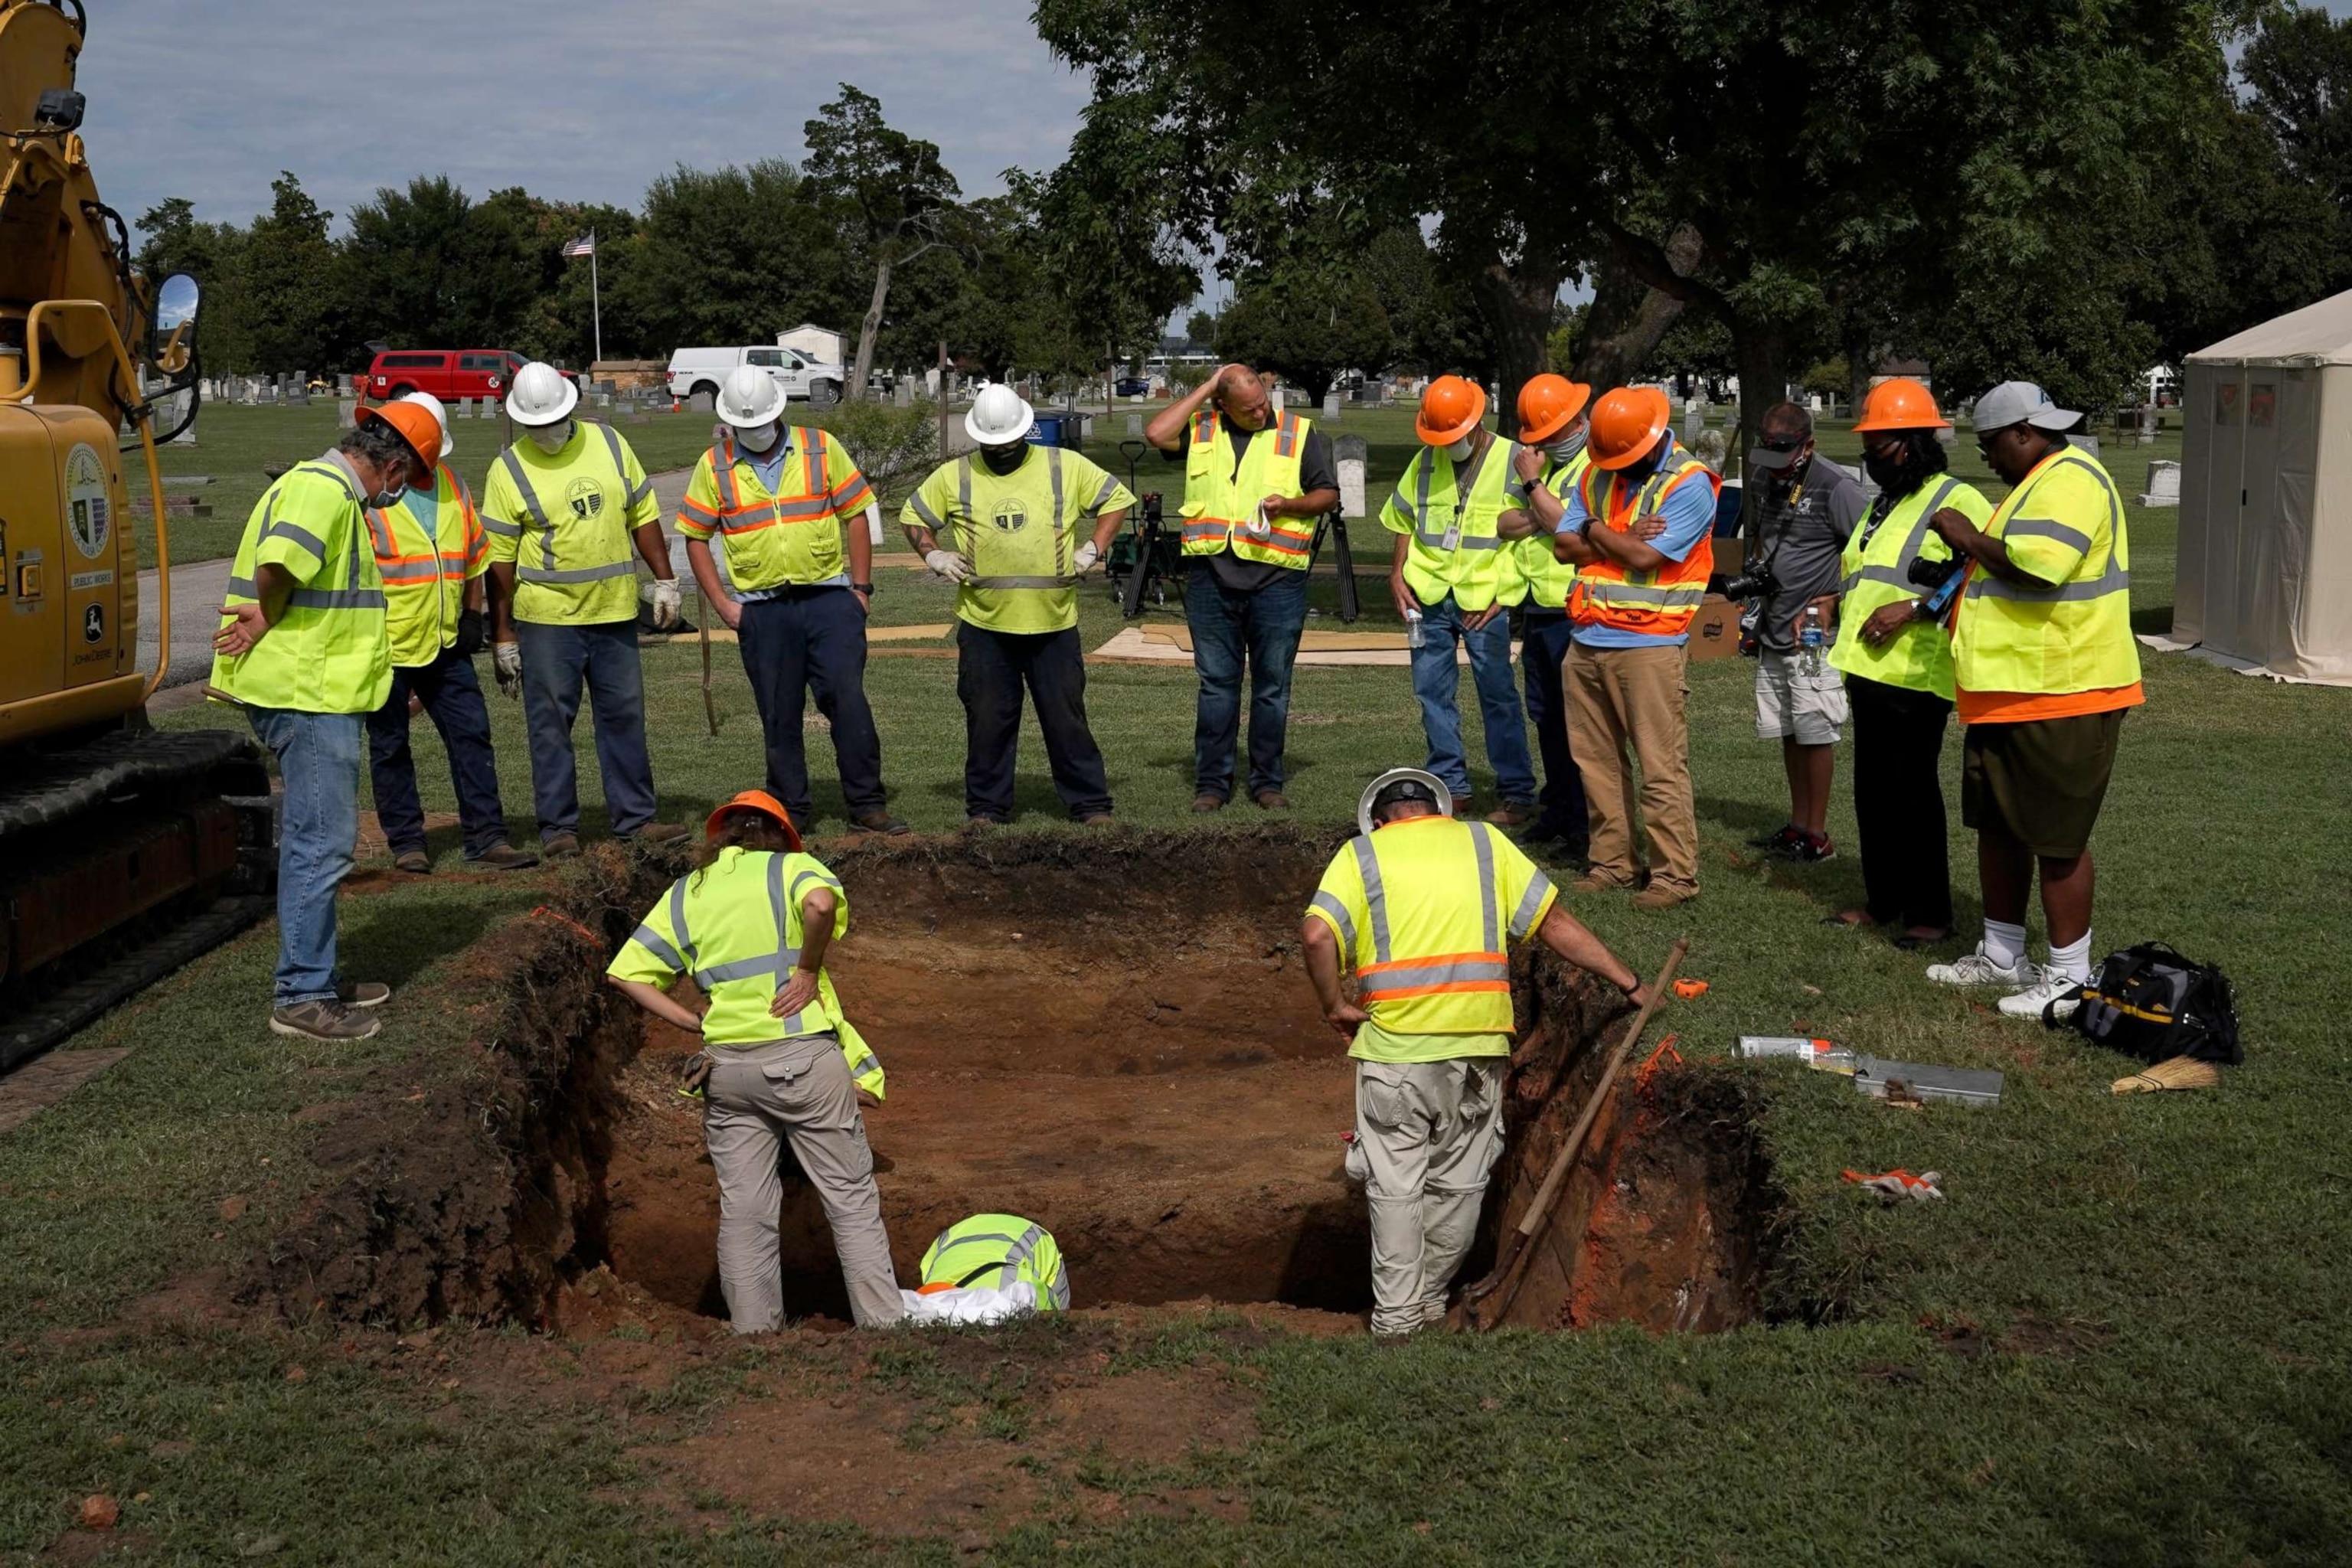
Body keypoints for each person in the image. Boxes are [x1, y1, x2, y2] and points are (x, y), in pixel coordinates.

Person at [1299, 769, 1653, 1338]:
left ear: (1381, 820)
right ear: (1438, 810)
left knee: (1396, 1191)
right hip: (1478, 1053)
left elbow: (1317, 936)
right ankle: (1431, 1301)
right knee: (1459, 1187)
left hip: (1396, 1055)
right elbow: (1554, 923)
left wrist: (1334, 1005)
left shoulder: (1361, 856)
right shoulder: (1487, 843)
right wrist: (1630, 982)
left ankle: (1395, 1323)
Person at [604, 790, 904, 1332]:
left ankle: (755, 1341)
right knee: (851, 1202)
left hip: (726, 1070)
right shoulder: (794, 869)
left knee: (745, 1213)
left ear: (722, 838)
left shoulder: (687, 891)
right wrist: (808, 971)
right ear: (782, 836)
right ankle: (885, 1331)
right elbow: (820, 906)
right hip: (801, 1060)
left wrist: (691, 1022)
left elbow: (625, 974)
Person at [208, 403, 439, 1041]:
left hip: (320, 691)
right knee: (323, 842)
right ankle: (301, 995)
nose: (404, 490)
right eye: (408, 479)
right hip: (304, 693)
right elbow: (279, 567)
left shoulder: (330, 491)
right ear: (392, 465)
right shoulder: (323, 491)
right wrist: (265, 614)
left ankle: (316, 973)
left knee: (323, 838)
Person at [1925, 381, 2141, 1018]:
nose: (1987, 457)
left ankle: (2071, 976)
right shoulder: (2034, 483)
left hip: (2066, 691)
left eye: (1991, 444)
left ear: (2025, 433)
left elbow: (2040, 567)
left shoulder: (2073, 477)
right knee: (1999, 827)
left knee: (2056, 837)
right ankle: (2001, 954)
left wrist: (1966, 535)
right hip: (2011, 692)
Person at [678, 365, 906, 836]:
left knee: (848, 703)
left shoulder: (820, 447)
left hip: (828, 602)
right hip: (761, 611)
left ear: (779, 412)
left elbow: (857, 512)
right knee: (779, 714)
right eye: (745, 427)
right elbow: (695, 536)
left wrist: (860, 591)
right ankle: (790, 812)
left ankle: (867, 805)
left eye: (760, 423)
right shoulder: (714, 464)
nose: (755, 433)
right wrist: (724, 604)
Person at [899, 384, 1135, 825]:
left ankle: (1090, 805)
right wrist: (932, 552)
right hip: (985, 623)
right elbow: (914, 516)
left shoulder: (1062, 465)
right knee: (988, 720)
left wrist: (1093, 549)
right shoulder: (957, 475)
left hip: (1053, 621)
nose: (1001, 450)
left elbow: (1115, 500)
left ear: (1025, 431)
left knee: (1066, 719)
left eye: (1008, 441)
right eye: (993, 443)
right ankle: (987, 808)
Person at [482, 361, 686, 856]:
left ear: (571, 409)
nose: (546, 432)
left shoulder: (611, 445)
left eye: (552, 421)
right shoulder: (508, 470)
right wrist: (504, 636)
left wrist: (665, 580)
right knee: (551, 724)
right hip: (547, 621)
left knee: (623, 718)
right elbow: (500, 564)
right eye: (536, 425)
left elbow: (642, 514)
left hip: (613, 613)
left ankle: (636, 820)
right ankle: (559, 830)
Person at [1814, 379, 1992, 946]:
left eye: (1882, 446)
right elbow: (1868, 570)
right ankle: (1883, 899)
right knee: (1873, 791)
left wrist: (1913, 608)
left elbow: (1976, 574)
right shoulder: (1885, 504)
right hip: (1868, 668)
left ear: (1915, 443)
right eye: (1869, 447)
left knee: (1912, 792)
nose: (1871, 457)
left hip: (1916, 673)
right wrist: (1835, 598)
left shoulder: (1957, 499)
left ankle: (1930, 915)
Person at [1550, 387, 1719, 910]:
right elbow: (1562, 546)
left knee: (1659, 765)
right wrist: (1616, 531)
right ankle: (1614, 864)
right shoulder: (1595, 472)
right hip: (1586, 639)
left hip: (1650, 643)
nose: (1616, 469)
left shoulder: (1690, 485)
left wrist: (1595, 530)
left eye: (1626, 459)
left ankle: (1674, 876)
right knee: (1596, 762)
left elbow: (1645, 558)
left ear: (1653, 442)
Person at [1144, 364, 1340, 812]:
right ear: (1222, 405)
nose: (1261, 411)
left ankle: (1267, 783)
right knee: (1217, 685)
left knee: (1272, 687)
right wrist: (1209, 384)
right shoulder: (1203, 429)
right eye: (1249, 408)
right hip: (1211, 581)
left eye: (1263, 402)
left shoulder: (1297, 433)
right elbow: (1157, 434)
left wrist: (1289, 504)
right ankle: (1212, 785)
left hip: (1277, 581)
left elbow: (1327, 494)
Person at [361, 392, 536, 875]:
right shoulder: (366, 494)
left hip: (446, 642)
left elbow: (474, 553)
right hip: (387, 646)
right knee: (390, 745)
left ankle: (487, 837)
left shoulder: (452, 485)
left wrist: (472, 615)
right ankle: (407, 843)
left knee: (471, 736)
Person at [1383, 374, 1538, 823]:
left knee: (1498, 696)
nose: (1448, 443)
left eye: (1455, 434)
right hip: (1427, 595)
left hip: (1483, 602)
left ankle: (1516, 792)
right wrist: (1397, 572)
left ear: (1478, 420)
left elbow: (1529, 536)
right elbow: (1401, 517)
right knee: (1432, 694)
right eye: (1441, 436)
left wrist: (1506, 596)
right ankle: (1451, 786)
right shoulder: (1425, 460)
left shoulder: (1515, 460)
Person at [1740, 401, 1864, 864]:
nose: (1772, 471)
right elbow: (1763, 539)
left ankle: (1818, 836)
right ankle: (1798, 826)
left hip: (1813, 635)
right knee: (1789, 730)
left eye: (1783, 457)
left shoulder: (1837, 487)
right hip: (1774, 624)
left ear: (1808, 445)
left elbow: (1869, 556)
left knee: (1815, 731)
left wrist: (1832, 601)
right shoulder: (1763, 477)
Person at [1499, 374, 1595, 857]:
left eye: (1549, 434)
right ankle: (1558, 808)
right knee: (1546, 717)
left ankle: (1584, 822)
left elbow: (1568, 526)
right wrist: (1545, 507)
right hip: (1537, 608)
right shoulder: (1547, 469)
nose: (1539, 444)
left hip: (1575, 610)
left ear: (1577, 422)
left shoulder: (1593, 465)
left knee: (1576, 720)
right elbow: (1505, 523)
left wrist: (1534, 487)